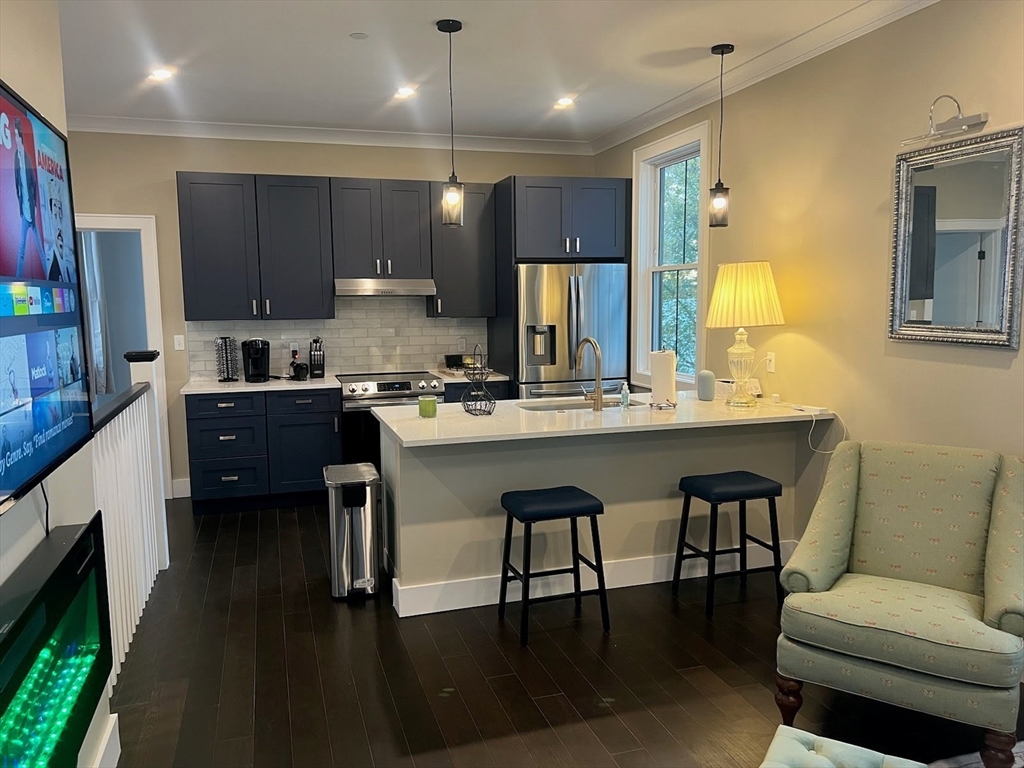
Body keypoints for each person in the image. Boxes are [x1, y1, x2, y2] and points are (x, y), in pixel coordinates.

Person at [13, 118, 46, 278]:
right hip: (24, 211)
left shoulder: (26, 158)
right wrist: (21, 206)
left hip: (31, 211)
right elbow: (16, 182)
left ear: (20, 138)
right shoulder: (16, 158)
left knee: (40, 248)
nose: (14, 139)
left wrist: (34, 207)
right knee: (21, 249)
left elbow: (32, 184)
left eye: (16, 136)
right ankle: (17, 280)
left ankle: (47, 276)